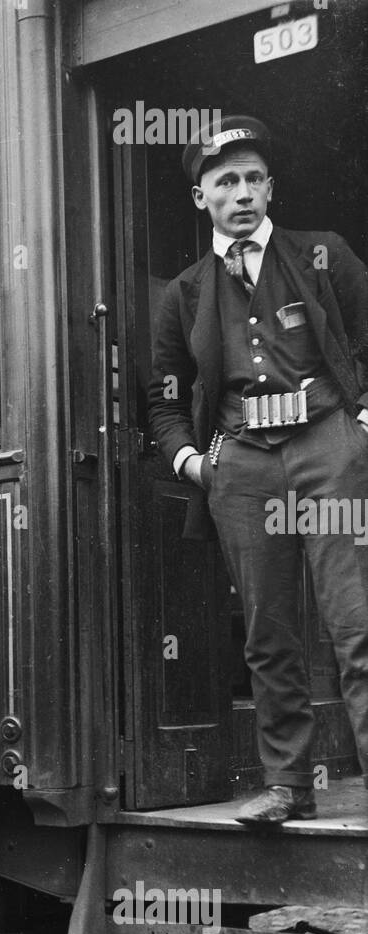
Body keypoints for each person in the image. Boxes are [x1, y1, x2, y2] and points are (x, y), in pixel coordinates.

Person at [148, 116, 368, 824]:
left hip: (326, 446)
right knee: (267, 634)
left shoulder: (323, 256)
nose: (240, 193)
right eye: (224, 182)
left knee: (354, 620)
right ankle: (286, 786)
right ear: (200, 197)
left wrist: (361, 428)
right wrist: (192, 461)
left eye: (251, 179)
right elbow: (158, 396)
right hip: (240, 465)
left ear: (268, 187)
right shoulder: (182, 293)